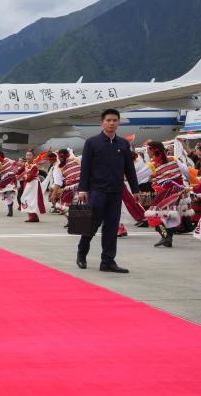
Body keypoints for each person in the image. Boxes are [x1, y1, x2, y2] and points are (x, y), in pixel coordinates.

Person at [76, 109, 139, 273]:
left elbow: (129, 169)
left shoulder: (123, 144)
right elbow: (85, 168)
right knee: (91, 225)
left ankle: (108, 261)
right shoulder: (92, 142)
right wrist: (83, 189)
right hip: (97, 191)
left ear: (118, 123)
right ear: (102, 122)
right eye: (108, 120)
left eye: (115, 120)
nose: (112, 123)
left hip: (116, 192)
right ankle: (82, 254)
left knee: (111, 227)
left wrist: (135, 189)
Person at [143, 141, 189, 248]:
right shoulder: (173, 159)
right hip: (178, 191)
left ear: (153, 150)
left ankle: (165, 237)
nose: (147, 152)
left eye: (148, 150)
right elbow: (186, 171)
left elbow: (139, 178)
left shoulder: (152, 165)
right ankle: (168, 239)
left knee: (154, 215)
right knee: (169, 216)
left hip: (165, 193)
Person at [18, 150, 45, 222]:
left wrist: (23, 177)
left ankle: (33, 217)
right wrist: (14, 171)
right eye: (27, 155)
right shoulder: (26, 164)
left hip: (34, 185)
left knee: (31, 200)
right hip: (28, 184)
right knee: (26, 199)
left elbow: (30, 178)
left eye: (30, 155)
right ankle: (33, 217)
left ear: (33, 156)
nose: (28, 157)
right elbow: (19, 171)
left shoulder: (34, 166)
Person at [0, 150, 20, 216]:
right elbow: (15, 163)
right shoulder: (5, 160)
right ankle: (9, 212)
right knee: (7, 195)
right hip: (9, 180)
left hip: (7, 180)